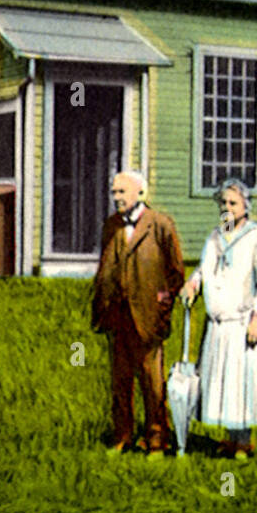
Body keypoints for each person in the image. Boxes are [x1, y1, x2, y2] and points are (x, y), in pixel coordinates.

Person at [178, 177, 257, 458]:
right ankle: (230, 439)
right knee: (223, 380)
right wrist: (193, 283)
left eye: (233, 203)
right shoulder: (216, 236)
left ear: (246, 205)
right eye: (223, 202)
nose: (227, 207)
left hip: (242, 321)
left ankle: (244, 440)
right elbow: (204, 268)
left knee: (241, 381)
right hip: (218, 323)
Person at [91, 170, 186, 455]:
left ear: (140, 193)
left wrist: (162, 308)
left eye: (122, 192)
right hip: (117, 316)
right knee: (120, 382)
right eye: (114, 192)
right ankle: (122, 436)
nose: (116, 198)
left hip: (147, 317)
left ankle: (157, 440)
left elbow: (175, 273)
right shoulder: (111, 226)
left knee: (152, 382)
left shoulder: (160, 225)